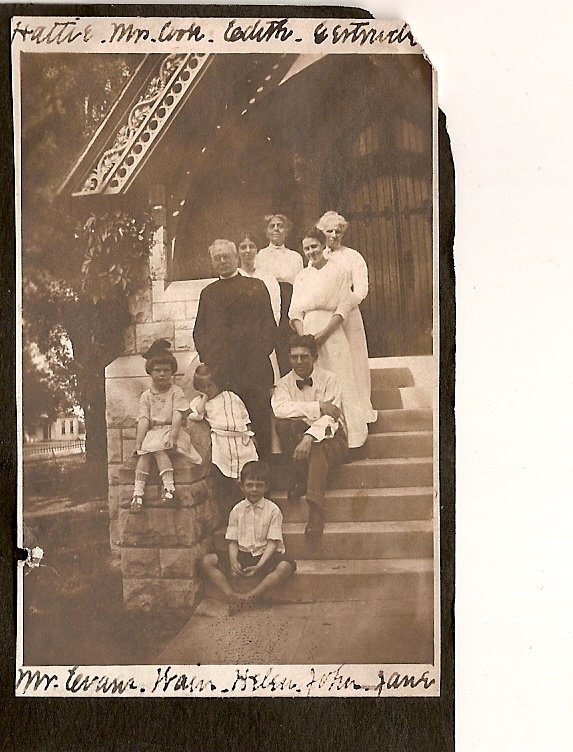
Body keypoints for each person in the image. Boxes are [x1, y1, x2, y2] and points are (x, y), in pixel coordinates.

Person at [193, 239, 277, 460]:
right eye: (217, 258)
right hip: (222, 374)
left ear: (236, 258)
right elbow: (199, 332)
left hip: (253, 370)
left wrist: (257, 354)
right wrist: (211, 360)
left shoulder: (256, 287)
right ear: (212, 262)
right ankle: (232, 483)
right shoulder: (208, 293)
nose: (222, 261)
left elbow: (269, 327)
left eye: (226, 256)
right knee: (227, 426)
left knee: (258, 423)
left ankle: (261, 478)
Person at [289, 227, 369, 448]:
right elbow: (294, 311)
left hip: (331, 334)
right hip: (308, 333)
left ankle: (352, 440)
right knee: (318, 385)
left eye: (314, 246)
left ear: (323, 245)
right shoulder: (302, 276)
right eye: (306, 248)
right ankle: (322, 440)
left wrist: (322, 336)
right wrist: (304, 337)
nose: (311, 251)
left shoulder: (339, 272)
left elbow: (343, 308)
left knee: (341, 382)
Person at [271, 334, 348, 537]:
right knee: (283, 425)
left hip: (332, 439)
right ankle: (304, 478)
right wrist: (318, 406)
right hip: (298, 438)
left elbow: (331, 418)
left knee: (318, 445)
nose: (299, 362)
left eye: (304, 357)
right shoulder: (284, 384)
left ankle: (315, 508)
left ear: (314, 357)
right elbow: (280, 409)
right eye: (294, 357)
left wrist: (308, 437)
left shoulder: (331, 379)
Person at [200, 461, 296, 612]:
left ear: (266, 487)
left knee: (286, 566)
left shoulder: (273, 510)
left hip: (264, 555)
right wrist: (233, 561)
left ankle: (251, 597)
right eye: (250, 485)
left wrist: (260, 565)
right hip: (243, 555)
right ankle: (232, 596)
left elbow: (273, 542)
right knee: (207, 561)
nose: (254, 489)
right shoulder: (237, 510)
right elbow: (232, 540)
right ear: (242, 486)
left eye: (259, 485)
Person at [316, 211, 378, 424]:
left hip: (349, 316)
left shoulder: (353, 256)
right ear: (322, 232)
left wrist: (341, 305)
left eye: (338, 231)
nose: (333, 235)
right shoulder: (317, 255)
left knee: (354, 360)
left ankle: (359, 409)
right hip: (326, 318)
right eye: (329, 231)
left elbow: (361, 290)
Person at [127, 339, 201, 513]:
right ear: (150, 372)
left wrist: (173, 437)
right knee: (144, 454)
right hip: (154, 433)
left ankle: (170, 490)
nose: (162, 374)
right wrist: (138, 444)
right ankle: (138, 494)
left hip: (171, 431)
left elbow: (177, 416)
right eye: (157, 370)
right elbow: (144, 419)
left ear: (172, 372)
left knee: (158, 449)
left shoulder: (176, 392)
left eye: (166, 371)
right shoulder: (146, 396)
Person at [188, 363, 258, 518]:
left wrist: (250, 433)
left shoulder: (232, 397)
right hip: (222, 441)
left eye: (210, 386)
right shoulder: (200, 402)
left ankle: (251, 511)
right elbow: (197, 414)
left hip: (241, 439)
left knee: (247, 472)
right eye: (202, 387)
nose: (207, 390)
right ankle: (231, 516)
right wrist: (205, 397)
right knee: (226, 476)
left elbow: (244, 416)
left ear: (219, 383)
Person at [255, 214, 303, 375]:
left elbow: (300, 285)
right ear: (266, 232)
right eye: (272, 226)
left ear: (286, 231)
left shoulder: (295, 257)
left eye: (280, 226)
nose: (276, 229)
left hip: (289, 306)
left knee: (287, 347)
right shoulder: (259, 256)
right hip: (268, 304)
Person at [237, 231, 281, 383]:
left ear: (257, 250)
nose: (247, 251)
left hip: (263, 339)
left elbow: (275, 310)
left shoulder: (267, 277)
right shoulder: (235, 276)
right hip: (239, 341)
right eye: (243, 247)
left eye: (251, 246)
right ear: (237, 251)